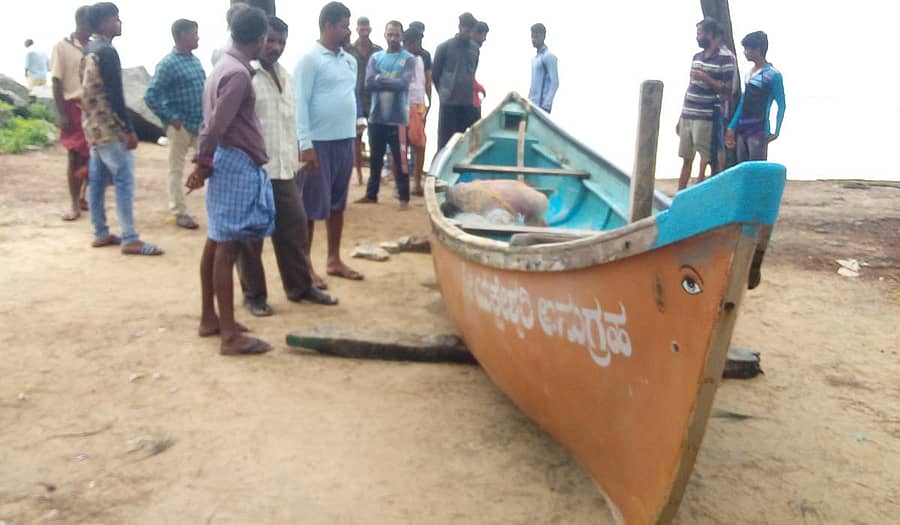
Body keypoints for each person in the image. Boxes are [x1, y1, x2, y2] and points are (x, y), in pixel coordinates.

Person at [235, 16, 338, 315]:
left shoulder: (286, 76)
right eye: (270, 40)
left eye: (281, 42)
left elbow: (292, 121)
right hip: (254, 169)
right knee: (251, 237)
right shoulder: (245, 75)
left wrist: (302, 154)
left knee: (294, 228)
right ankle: (254, 295)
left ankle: (300, 287)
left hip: (284, 169)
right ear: (258, 40)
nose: (275, 47)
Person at [186, 5, 274, 355]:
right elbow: (217, 125)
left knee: (216, 241)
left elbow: (213, 123)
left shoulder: (222, 65)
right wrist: (203, 161)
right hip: (234, 162)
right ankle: (229, 336)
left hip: (226, 158)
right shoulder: (238, 73)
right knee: (228, 247)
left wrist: (206, 161)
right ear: (261, 38)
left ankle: (212, 318)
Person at [81, 2, 163, 256]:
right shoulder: (107, 52)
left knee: (96, 181)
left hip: (93, 127)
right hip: (111, 128)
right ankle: (129, 237)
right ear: (104, 22)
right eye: (115, 19)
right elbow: (115, 94)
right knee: (123, 180)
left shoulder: (88, 49)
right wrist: (128, 129)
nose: (119, 23)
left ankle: (101, 231)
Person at [294, 1, 365, 287]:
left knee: (338, 204)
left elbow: (352, 95)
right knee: (310, 207)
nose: (348, 31)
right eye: (344, 25)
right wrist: (305, 143)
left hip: (344, 140)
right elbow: (300, 102)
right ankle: (305, 266)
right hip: (318, 143)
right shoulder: (309, 59)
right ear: (328, 26)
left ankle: (333, 259)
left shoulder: (349, 60)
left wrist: (359, 121)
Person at [145, 19, 206, 230]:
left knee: (209, 164)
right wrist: (171, 118)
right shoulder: (168, 63)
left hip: (199, 124)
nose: (198, 37)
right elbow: (151, 95)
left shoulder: (195, 61)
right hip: (180, 126)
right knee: (176, 169)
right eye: (194, 33)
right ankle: (179, 211)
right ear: (182, 35)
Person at [355, 21, 415, 208]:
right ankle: (371, 194)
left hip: (399, 120)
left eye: (396, 35)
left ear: (402, 35)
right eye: (390, 34)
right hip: (376, 118)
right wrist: (389, 81)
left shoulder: (408, 59)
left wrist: (380, 79)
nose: (393, 38)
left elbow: (404, 84)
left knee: (401, 159)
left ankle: (404, 197)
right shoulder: (376, 58)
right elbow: (368, 83)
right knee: (375, 158)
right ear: (385, 35)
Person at [676, 18, 736, 190]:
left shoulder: (725, 59)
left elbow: (728, 90)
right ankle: (680, 194)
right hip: (688, 113)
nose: (698, 37)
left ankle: (712, 193)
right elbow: (690, 87)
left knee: (710, 158)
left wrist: (706, 78)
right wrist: (680, 116)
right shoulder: (697, 57)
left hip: (706, 116)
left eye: (700, 34)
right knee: (686, 157)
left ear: (710, 34)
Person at [50, 6, 92, 222]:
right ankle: (74, 203)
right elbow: (56, 81)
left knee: (91, 156)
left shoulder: (94, 48)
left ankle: (84, 197)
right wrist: (62, 113)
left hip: (93, 109)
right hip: (73, 106)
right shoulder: (62, 46)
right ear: (80, 23)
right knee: (75, 156)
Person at [725, 31, 785, 163]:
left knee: (757, 167)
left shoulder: (772, 75)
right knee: (743, 166)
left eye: (747, 49)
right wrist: (732, 126)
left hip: (759, 128)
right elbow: (743, 102)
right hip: (742, 128)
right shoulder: (748, 74)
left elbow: (781, 104)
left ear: (757, 50)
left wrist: (776, 130)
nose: (745, 52)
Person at [432, 12, 480, 150]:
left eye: (471, 30)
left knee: (464, 143)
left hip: (467, 103)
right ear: (460, 27)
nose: (469, 33)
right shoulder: (444, 47)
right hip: (449, 103)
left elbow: (473, 71)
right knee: (445, 143)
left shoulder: (475, 49)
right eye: (466, 29)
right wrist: (444, 92)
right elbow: (436, 74)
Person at [350, 17, 383, 185]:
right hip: (355, 99)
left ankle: (374, 174)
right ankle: (359, 174)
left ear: (370, 29)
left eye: (366, 27)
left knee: (375, 137)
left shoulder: (378, 50)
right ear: (357, 29)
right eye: (361, 28)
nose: (364, 30)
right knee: (356, 137)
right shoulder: (350, 50)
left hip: (374, 98)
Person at [402, 27, 428, 196]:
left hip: (419, 106)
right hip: (406, 106)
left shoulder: (420, 59)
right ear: (410, 43)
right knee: (406, 145)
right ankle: (405, 185)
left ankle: (416, 183)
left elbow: (423, 82)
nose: (420, 45)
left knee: (419, 145)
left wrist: (427, 104)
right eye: (418, 42)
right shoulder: (401, 60)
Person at [528, 23, 559, 114]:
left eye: (536, 37)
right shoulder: (535, 59)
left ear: (543, 36)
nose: (534, 40)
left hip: (542, 107)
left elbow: (555, 82)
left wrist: (547, 105)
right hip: (532, 105)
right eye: (532, 37)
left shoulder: (549, 56)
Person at [472, 20, 489, 120]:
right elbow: (469, 76)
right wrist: (480, 88)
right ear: (476, 34)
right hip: (469, 100)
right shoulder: (473, 50)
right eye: (484, 35)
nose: (485, 39)